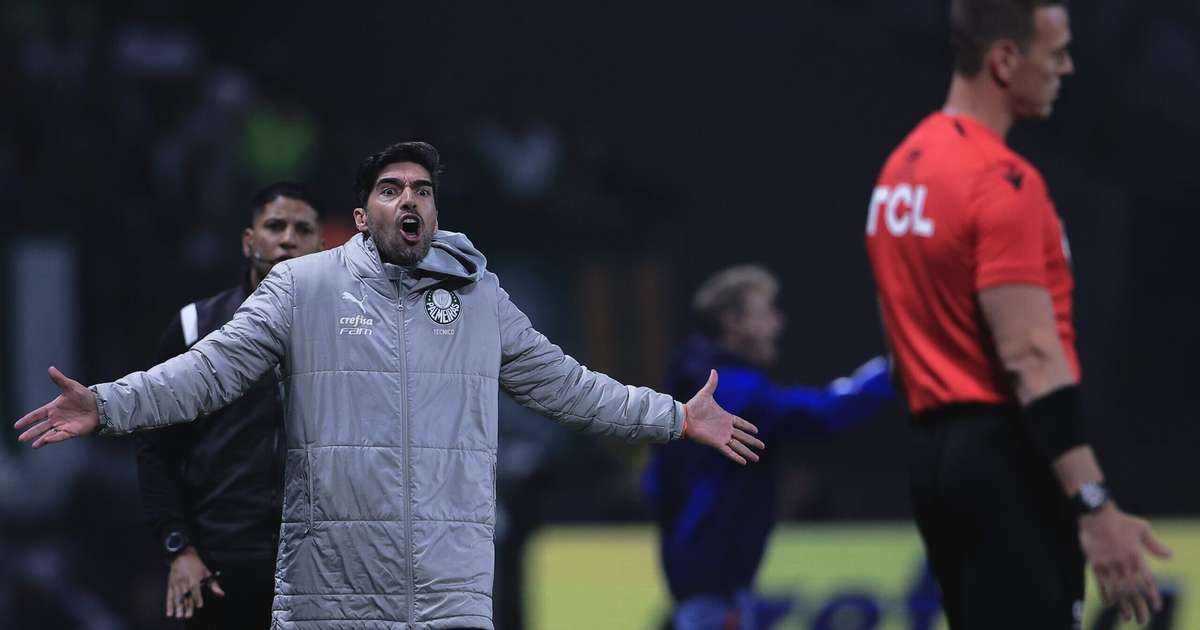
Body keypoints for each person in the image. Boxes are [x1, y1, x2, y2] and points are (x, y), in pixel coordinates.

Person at [14, 141, 765, 630]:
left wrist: (672, 417)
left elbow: (567, 385)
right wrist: (107, 404)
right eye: (391, 188)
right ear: (360, 215)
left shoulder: (479, 298)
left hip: (450, 597)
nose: (410, 199)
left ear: (435, 213)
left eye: (423, 190)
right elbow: (204, 374)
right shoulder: (303, 290)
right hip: (329, 599)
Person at [864, 1, 1170, 627]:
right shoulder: (1002, 181)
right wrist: (1094, 504)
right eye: (1055, 53)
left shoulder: (901, 171)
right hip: (1007, 458)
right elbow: (1031, 357)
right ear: (1005, 60)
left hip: (933, 459)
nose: (1068, 68)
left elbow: (900, 342)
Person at [644, 265, 895, 630]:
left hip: (700, 573)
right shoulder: (730, 392)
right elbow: (823, 413)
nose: (778, 324)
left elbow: (655, 484)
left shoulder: (692, 378)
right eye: (767, 313)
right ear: (734, 323)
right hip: (715, 579)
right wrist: (892, 370)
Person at [136, 182, 324, 626]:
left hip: (323, 572)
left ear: (323, 245)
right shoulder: (194, 327)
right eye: (275, 225)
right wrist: (178, 548)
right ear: (248, 240)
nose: (287, 239)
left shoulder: (353, 336)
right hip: (221, 570)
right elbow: (156, 449)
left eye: (302, 229)